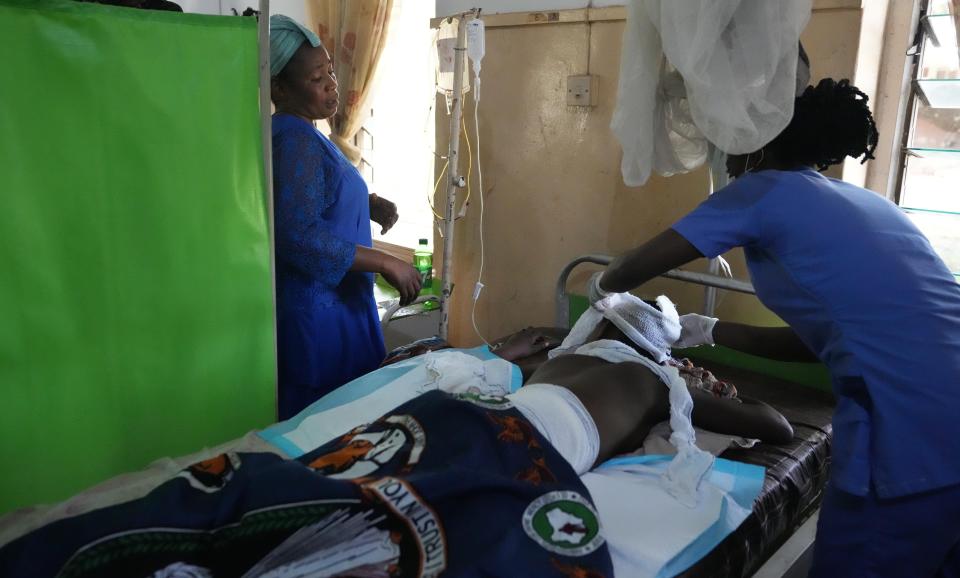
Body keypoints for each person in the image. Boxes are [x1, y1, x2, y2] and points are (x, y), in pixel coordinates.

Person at [592, 78, 960, 577]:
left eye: (727, 148)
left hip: (909, 431)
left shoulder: (759, 192)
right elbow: (829, 340)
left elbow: (626, 271)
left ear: (756, 145)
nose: (724, 164)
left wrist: (604, 284)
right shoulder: (866, 204)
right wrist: (712, 331)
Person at [270, 15, 421, 420]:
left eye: (330, 71)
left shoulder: (306, 133)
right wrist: (387, 261)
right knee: (329, 431)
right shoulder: (294, 136)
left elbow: (310, 199)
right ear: (280, 88)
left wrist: (366, 203)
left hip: (337, 310)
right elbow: (296, 233)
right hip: (321, 321)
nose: (331, 84)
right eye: (316, 77)